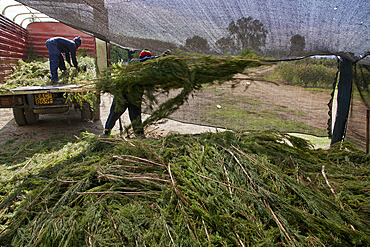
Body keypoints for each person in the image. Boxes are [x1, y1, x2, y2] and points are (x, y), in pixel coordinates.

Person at [103, 48, 171, 136]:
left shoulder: (148, 71)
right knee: (114, 114)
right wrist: (158, 57)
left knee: (136, 118)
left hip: (135, 97)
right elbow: (144, 61)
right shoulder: (134, 63)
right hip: (123, 94)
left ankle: (139, 135)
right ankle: (107, 132)